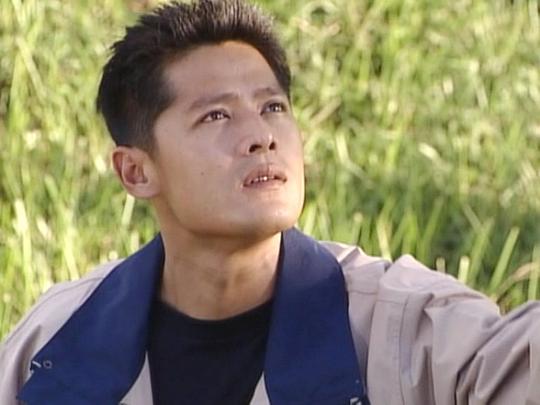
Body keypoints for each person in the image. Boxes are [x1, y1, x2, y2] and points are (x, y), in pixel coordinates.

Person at [1, 0, 539, 404]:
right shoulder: (58, 340)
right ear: (136, 172)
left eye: (273, 108)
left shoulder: (404, 330)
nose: (261, 137)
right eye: (216, 116)